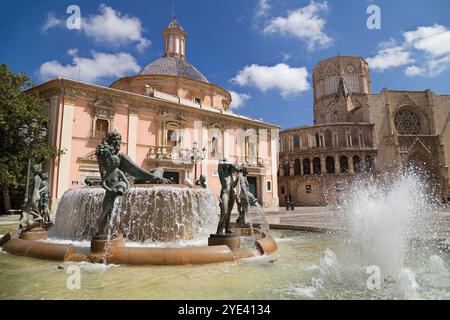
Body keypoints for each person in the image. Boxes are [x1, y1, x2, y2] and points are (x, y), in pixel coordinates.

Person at [216, 160, 239, 235]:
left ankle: (226, 229)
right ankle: (219, 229)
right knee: (224, 212)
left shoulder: (230, 174)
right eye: (225, 164)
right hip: (225, 194)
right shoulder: (221, 173)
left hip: (232, 194)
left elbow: (234, 185)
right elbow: (219, 166)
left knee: (229, 213)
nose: (226, 165)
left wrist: (238, 178)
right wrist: (228, 163)